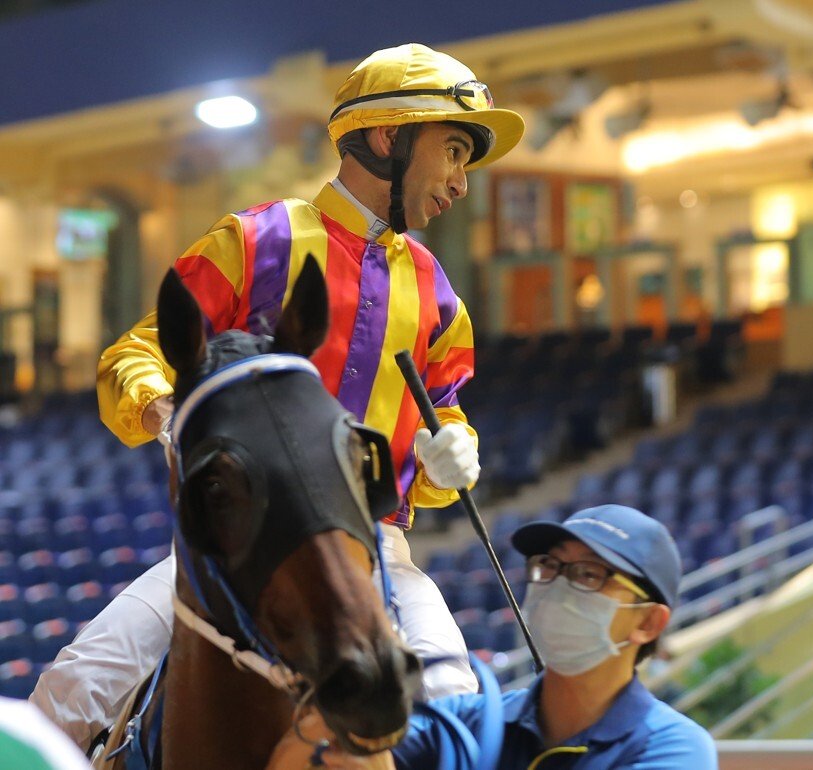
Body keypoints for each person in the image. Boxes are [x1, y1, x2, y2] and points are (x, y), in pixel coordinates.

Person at [31, 43, 526, 750]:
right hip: (242, 547)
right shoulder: (255, 239)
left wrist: (455, 453)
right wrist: (166, 413)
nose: (461, 182)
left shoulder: (439, 291)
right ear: (389, 138)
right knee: (72, 690)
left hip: (378, 549)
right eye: (452, 151)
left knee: (460, 709)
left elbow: (444, 411)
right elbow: (134, 356)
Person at [266, 505, 719, 770]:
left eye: (588, 574)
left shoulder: (674, 748)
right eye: (549, 566)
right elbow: (309, 753)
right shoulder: (468, 721)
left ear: (649, 623)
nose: (557, 586)